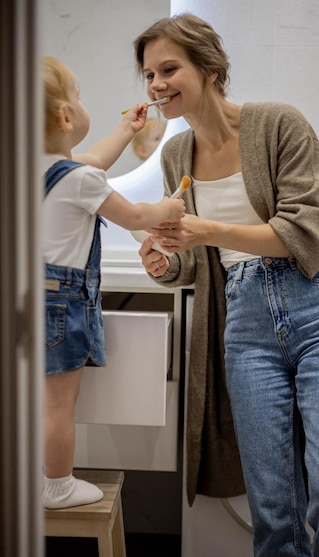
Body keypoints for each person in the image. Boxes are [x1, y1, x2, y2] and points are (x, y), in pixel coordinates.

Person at [133, 14, 319, 557]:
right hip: (245, 329)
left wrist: (207, 229)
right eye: (148, 74)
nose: (156, 85)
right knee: (274, 510)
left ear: (210, 69)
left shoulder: (277, 123)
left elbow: (315, 226)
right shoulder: (176, 154)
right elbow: (197, 263)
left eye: (169, 69)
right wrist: (162, 260)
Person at [42, 56, 185, 510]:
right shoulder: (79, 178)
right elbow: (133, 216)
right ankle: (58, 485)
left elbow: (94, 160)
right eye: (79, 98)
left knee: (30, 403)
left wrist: (128, 129)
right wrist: (168, 208)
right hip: (59, 305)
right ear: (66, 116)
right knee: (59, 406)